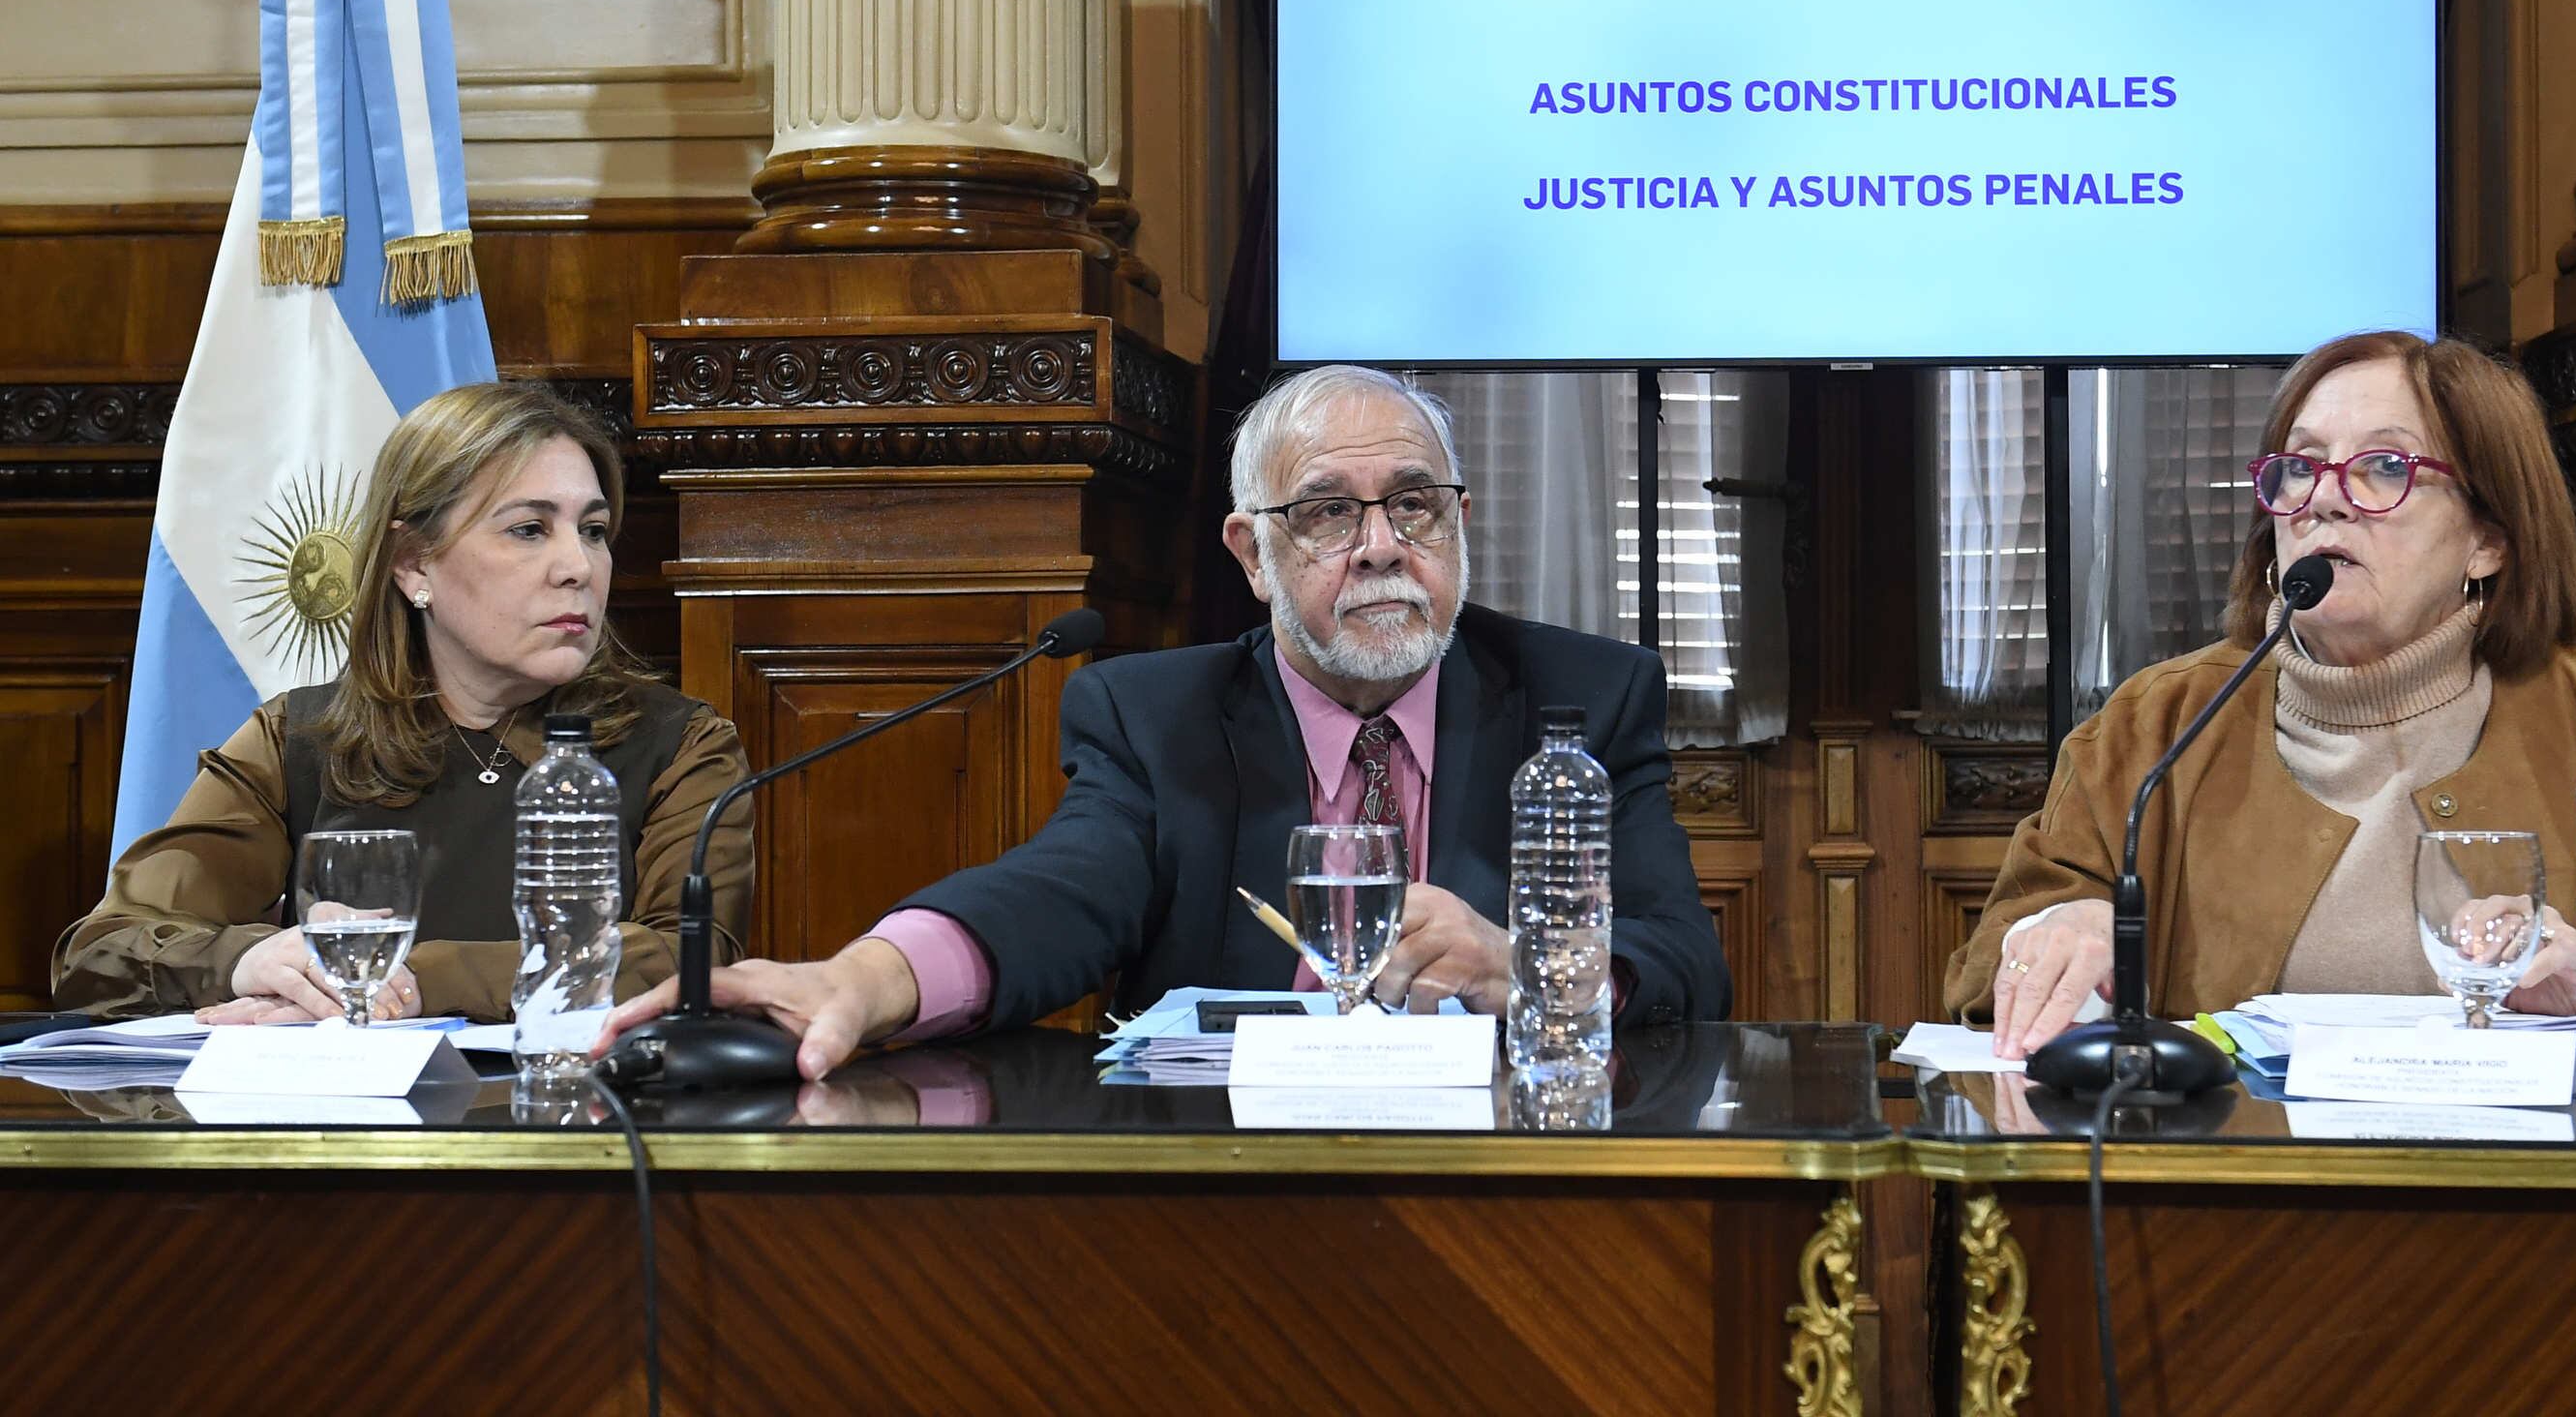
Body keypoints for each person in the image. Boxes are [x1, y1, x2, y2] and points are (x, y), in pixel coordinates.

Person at [596, 363, 1731, 1080]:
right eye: (1331, 511)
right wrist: (868, 976)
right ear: (1252, 552)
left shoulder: (1581, 697)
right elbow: (1060, 891)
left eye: (1415, 504)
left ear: (1460, 522)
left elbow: (1683, 960)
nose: (1383, 544)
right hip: (1226, 1209)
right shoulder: (1154, 713)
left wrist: (1527, 962)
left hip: (1518, 1193)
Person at [1947, 330, 2576, 1058]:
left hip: (2539, 1212)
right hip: (2231, 1210)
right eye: (2299, 467)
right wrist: (2067, 939)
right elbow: (1987, 972)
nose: (2323, 502)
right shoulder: (2156, 726)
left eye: (2385, 468)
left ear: (2488, 540)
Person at [54, 381, 753, 1022]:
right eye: (529, 529)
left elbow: (684, 959)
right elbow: (100, 953)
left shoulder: (680, 744)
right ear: (414, 563)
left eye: (593, 530)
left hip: (584, 1122)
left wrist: (388, 981)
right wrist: (247, 963)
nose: (578, 566)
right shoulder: (298, 739)